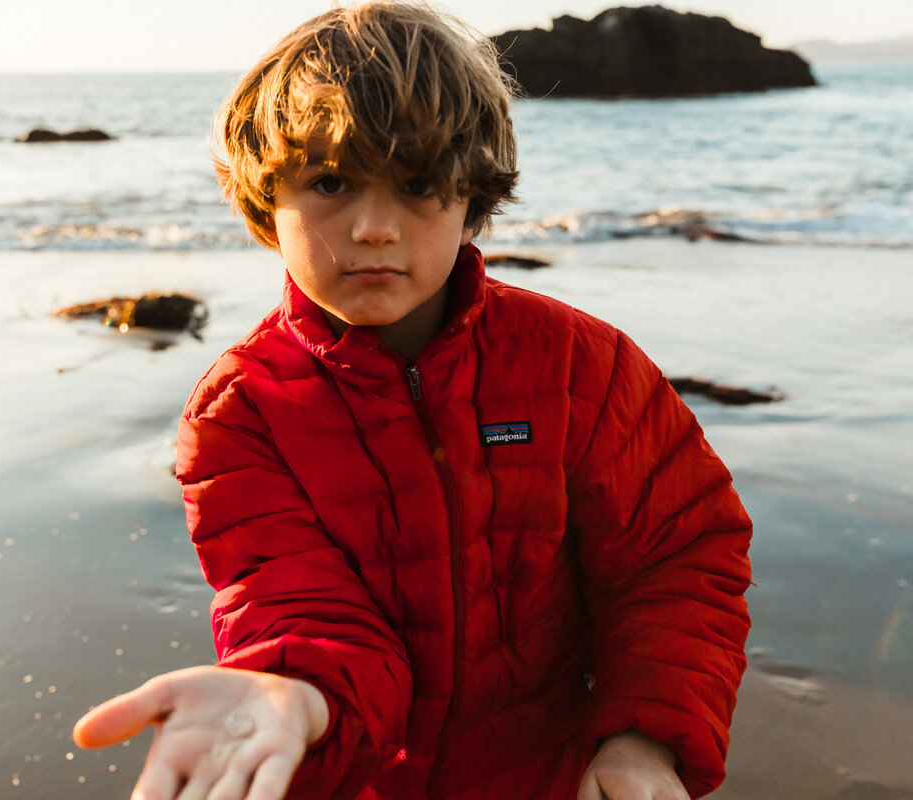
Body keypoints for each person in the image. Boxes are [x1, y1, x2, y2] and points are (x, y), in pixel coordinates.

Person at [73, 3, 752, 799]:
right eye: (329, 182)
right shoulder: (241, 412)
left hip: (556, 779)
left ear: (472, 196)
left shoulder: (582, 365)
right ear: (266, 203)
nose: (372, 226)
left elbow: (677, 555)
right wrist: (291, 692)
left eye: (418, 184)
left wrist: (643, 741)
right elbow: (291, 601)